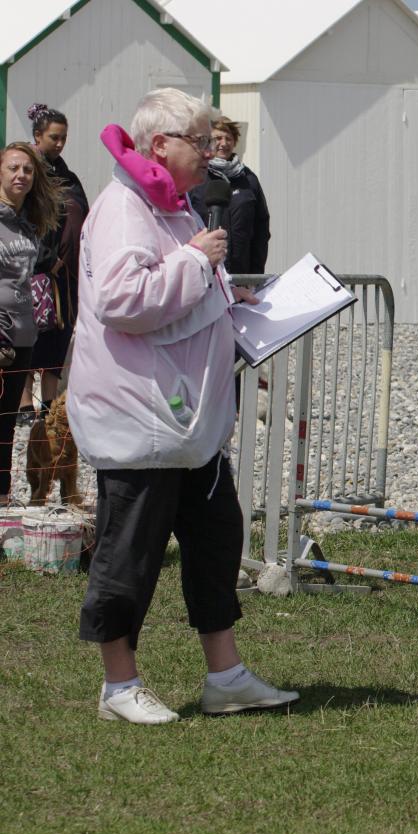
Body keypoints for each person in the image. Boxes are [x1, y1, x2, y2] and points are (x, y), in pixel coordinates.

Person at [68, 88, 298, 725]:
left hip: (188, 422)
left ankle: (225, 675)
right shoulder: (122, 208)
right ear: (159, 144)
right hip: (140, 419)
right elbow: (123, 300)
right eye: (198, 140)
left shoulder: (170, 207)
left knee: (217, 543)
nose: (210, 151)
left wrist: (232, 304)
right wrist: (199, 261)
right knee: (130, 554)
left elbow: (185, 290)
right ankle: (119, 687)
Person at [0, 142, 63, 503]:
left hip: (24, 335)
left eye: (27, 170)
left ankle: (4, 497)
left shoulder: (28, 223)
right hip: (0, 335)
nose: (21, 175)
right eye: (13, 168)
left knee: (7, 424)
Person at [22, 104, 88, 424]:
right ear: (38, 136)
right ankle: (23, 404)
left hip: (64, 277)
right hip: (32, 273)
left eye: (64, 138)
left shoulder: (67, 176)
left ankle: (48, 405)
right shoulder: (26, 172)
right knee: (28, 339)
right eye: (54, 137)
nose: (60, 143)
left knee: (57, 338)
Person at [188, 116, 270, 275]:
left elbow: (261, 231)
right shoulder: (197, 177)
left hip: (242, 276)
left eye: (229, 139)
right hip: (205, 274)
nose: (224, 144)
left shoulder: (248, 179)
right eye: (218, 138)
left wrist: (255, 275)